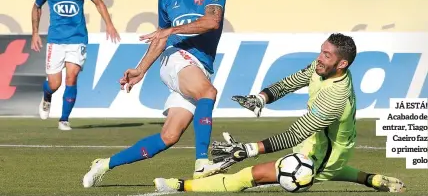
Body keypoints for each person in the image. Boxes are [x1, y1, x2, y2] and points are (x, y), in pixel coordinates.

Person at [153, 33, 406, 193]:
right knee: (332, 166)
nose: (319, 58)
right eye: (321, 50)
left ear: (342, 64)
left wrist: (251, 149)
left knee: (245, 177)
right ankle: (371, 179)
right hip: (325, 148)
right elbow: (289, 82)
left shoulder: (336, 96)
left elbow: (298, 132)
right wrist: (261, 98)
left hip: (319, 156)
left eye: (326, 55)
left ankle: (180, 186)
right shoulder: (321, 69)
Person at [82, 0, 226, 188]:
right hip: (175, 58)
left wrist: (170, 31)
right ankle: (202, 162)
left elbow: (212, 21)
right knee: (208, 92)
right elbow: (160, 38)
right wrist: (140, 69)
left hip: (198, 64)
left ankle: (104, 164)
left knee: (168, 136)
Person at [31, 0, 120, 131]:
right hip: (56, 40)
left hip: (78, 38)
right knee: (54, 84)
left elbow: (99, 3)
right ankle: (47, 96)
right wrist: (35, 33)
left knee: (71, 77)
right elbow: (37, 7)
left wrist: (109, 24)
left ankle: (64, 119)